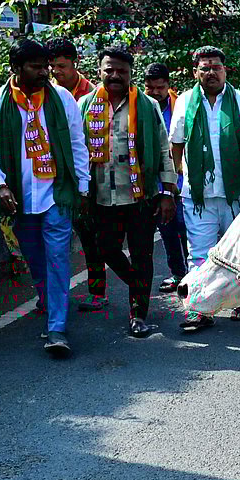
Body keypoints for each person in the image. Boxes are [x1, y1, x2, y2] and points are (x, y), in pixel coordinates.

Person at [0, 39, 89, 356]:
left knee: (57, 258)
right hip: (21, 198)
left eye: (46, 66)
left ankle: (56, 328)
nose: (45, 72)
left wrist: (81, 186)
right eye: (36, 66)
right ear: (16, 68)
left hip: (57, 193)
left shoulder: (62, 98)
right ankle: (48, 298)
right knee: (34, 257)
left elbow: (78, 144)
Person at [78, 44, 177, 339]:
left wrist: (168, 193)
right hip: (100, 197)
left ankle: (139, 314)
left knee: (142, 255)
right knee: (105, 249)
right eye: (110, 69)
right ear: (100, 71)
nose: (115, 75)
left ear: (130, 73)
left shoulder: (147, 105)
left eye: (122, 71)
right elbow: (76, 151)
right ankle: (138, 284)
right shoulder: (84, 105)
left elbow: (163, 148)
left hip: (139, 197)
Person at [169, 45, 240, 334]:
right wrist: (181, 177)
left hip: (237, 192)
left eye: (216, 67)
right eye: (204, 68)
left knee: (239, 251)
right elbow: (177, 143)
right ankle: (198, 308)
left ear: (225, 70)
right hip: (199, 195)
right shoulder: (184, 101)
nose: (211, 73)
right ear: (195, 72)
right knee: (200, 253)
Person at [47, 37, 109, 312]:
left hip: (90, 179)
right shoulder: (45, 95)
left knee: (91, 237)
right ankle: (49, 296)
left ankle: (99, 291)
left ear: (76, 64)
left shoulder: (95, 96)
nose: (55, 72)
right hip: (54, 179)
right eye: (51, 67)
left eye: (61, 66)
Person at [144, 63, 189, 294]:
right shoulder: (142, 107)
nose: (155, 92)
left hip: (181, 179)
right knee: (167, 229)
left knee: (185, 227)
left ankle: (194, 273)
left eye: (159, 87)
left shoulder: (180, 105)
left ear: (168, 85)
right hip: (155, 181)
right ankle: (178, 274)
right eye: (150, 87)